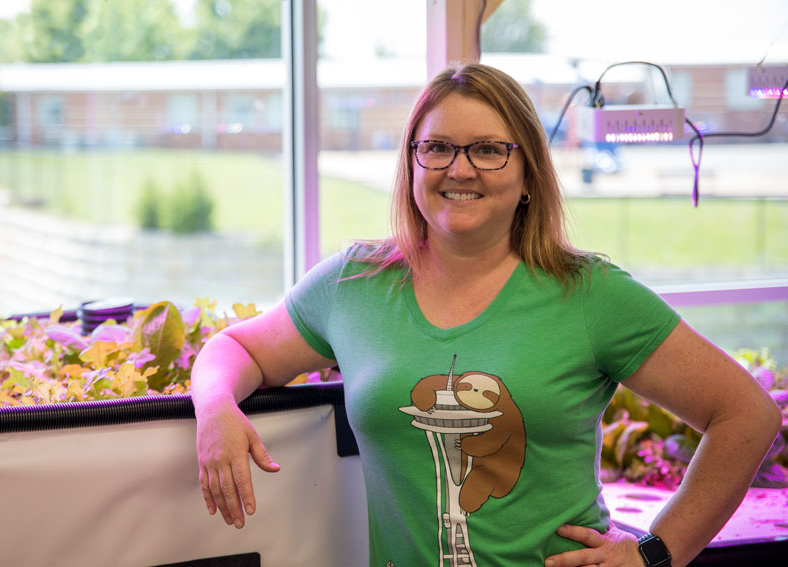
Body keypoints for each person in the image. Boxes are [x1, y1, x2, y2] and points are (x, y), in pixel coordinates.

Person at [191, 63, 781, 567]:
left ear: (527, 174)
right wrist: (216, 406)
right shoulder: (356, 283)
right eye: (438, 147)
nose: (460, 168)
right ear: (413, 163)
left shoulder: (590, 293)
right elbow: (236, 349)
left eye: (489, 150)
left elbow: (746, 414)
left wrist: (655, 551)